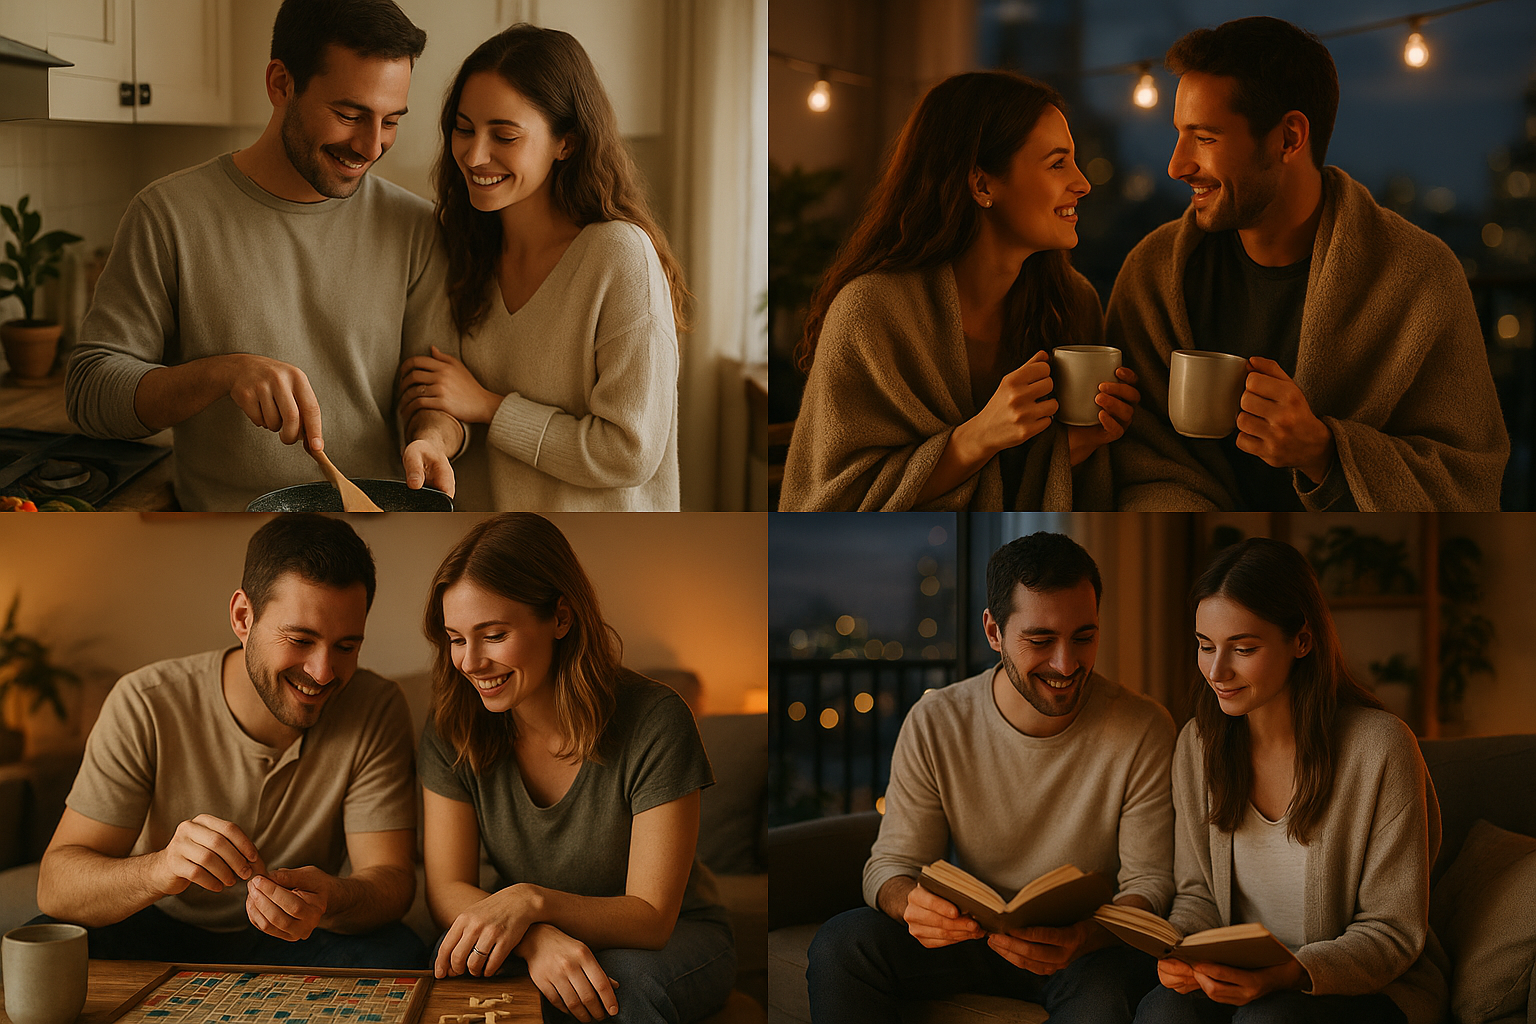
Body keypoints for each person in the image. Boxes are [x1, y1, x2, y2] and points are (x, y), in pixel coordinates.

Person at [65, 0, 464, 512]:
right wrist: (223, 374)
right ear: (280, 84)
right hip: (224, 536)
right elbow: (90, 394)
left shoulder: (416, 228)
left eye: (390, 121)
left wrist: (432, 439)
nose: (370, 146)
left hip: (375, 529)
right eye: (349, 115)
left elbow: (435, 399)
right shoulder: (168, 215)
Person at [1107, 16, 1507, 511]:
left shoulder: (1421, 278)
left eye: (1205, 138)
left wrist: (1323, 453)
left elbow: (1470, 484)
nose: (1176, 165)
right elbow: (1135, 457)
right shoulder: (1151, 276)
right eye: (1179, 135)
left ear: (1289, 138)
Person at [806, 532, 1174, 1022]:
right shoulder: (937, 721)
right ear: (994, 632)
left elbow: (1151, 881)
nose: (1066, 664)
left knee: (1105, 998)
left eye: (1083, 637)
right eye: (1040, 640)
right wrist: (911, 903)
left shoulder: (1143, 727)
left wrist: (1086, 936)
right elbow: (891, 864)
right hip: (971, 935)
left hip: (1084, 949)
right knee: (841, 943)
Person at [34, 514, 423, 968]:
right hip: (156, 924)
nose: (322, 672)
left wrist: (331, 898)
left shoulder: (375, 706)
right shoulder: (145, 701)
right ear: (243, 617)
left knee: (402, 953)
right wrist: (161, 868)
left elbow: (392, 880)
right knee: (42, 943)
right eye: (300, 639)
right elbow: (56, 885)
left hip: (300, 938)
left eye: (346, 647)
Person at [418, 513, 734, 1022]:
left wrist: (531, 902)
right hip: (534, 930)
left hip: (670, 937)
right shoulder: (451, 725)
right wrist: (534, 936)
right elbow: (446, 890)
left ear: (561, 618)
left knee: (618, 987)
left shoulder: (656, 719)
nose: (470, 662)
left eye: (493, 635)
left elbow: (651, 917)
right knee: (454, 962)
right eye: (456, 639)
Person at [779, 71, 1140, 512]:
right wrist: (977, 437)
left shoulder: (1073, 303)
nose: (1083, 183)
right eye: (1057, 163)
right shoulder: (870, 312)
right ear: (982, 184)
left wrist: (1079, 445)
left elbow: (1057, 483)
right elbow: (831, 503)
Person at [1133, 537, 1446, 1024]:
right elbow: (1198, 895)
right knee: (1162, 1010)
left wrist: (1288, 973)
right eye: (1205, 646)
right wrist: (1183, 951)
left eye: (1243, 648)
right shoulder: (1198, 744)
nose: (1216, 671)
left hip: (1361, 987)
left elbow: (1392, 929)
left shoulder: (1381, 747)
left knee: (1269, 1019)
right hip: (1241, 980)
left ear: (1302, 640)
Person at [395, 25, 686, 512]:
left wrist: (490, 406)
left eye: (504, 135)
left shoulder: (619, 256)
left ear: (565, 143)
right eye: (464, 129)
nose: (474, 155)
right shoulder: (462, 246)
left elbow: (628, 451)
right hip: (493, 535)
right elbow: (448, 397)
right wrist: (433, 440)